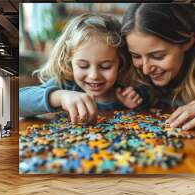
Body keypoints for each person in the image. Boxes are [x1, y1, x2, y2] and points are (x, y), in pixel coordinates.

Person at [121, 3, 195, 130]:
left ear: (187, 41)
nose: (146, 70)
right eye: (136, 56)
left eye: (157, 56)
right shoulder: (130, 72)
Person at [20, 14, 149, 123]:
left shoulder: (130, 90)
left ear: (121, 62)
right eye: (83, 66)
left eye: (105, 66)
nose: (94, 75)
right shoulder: (65, 85)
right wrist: (59, 97)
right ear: (69, 61)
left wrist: (135, 107)